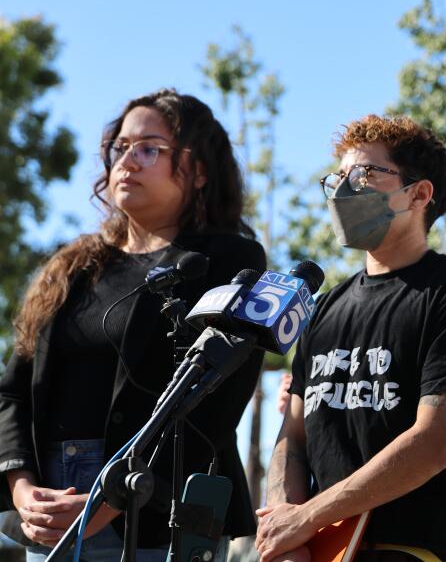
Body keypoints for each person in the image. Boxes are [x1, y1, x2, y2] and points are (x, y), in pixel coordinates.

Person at [0, 89, 266, 560]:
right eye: (120, 148)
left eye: (150, 149)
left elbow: (216, 401)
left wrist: (117, 497)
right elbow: (12, 391)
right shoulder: (69, 268)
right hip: (52, 505)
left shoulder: (228, 261)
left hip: (160, 512)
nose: (128, 161)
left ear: (199, 170)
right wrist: (22, 487)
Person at [256, 115, 446, 562]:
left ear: (419, 194)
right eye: (339, 177)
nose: (345, 190)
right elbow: (293, 435)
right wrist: (284, 526)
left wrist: (309, 518)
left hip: (410, 550)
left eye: (365, 175)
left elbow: (435, 443)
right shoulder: (321, 309)